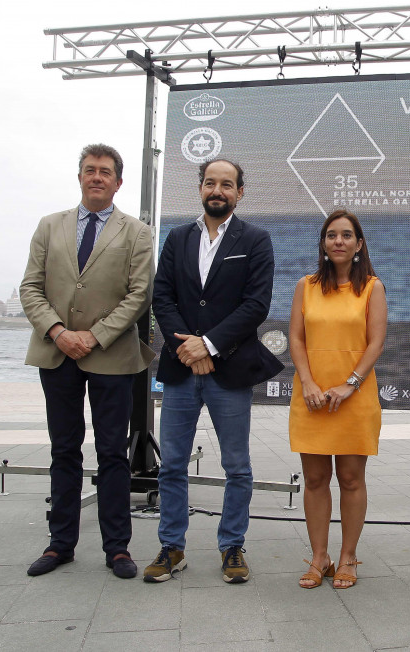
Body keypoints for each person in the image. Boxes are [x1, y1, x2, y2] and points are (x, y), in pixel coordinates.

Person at [20, 143, 154, 579]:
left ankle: (118, 548)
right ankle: (61, 544)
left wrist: (93, 336)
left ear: (119, 182)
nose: (97, 177)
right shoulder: (49, 226)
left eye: (105, 172)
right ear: (79, 177)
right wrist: (59, 333)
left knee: (113, 452)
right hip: (56, 353)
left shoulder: (136, 232)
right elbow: (30, 288)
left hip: (112, 356)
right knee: (64, 449)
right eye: (89, 170)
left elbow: (139, 296)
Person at [146, 158, 283, 584]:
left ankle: (232, 546)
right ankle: (172, 547)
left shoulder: (256, 240)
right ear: (200, 188)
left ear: (240, 192)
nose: (217, 190)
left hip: (229, 370)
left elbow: (255, 305)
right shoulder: (177, 237)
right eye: (210, 183)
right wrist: (186, 347)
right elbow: (161, 297)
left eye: (227, 184)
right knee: (171, 465)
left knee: (237, 467)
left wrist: (207, 344)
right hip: (181, 369)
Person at [289, 209, 387, 590]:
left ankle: (348, 557)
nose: (339, 241)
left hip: (354, 397)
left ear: (359, 244)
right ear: (323, 243)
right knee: (315, 479)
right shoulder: (306, 285)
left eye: (347, 235)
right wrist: (309, 382)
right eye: (332, 235)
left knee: (350, 478)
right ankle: (319, 557)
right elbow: (296, 338)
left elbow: (376, 341)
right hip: (311, 397)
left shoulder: (372, 287)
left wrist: (350, 384)